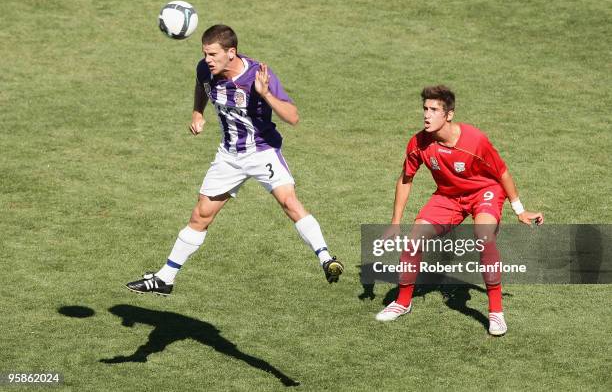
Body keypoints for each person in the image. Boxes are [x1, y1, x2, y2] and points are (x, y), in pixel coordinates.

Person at [126, 24, 343, 295]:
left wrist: (265, 94)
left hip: (262, 151)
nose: (208, 59)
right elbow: (201, 84)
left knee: (289, 201)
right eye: (205, 53)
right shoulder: (206, 70)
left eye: (213, 54)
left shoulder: (258, 74)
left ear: (231, 52)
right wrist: (197, 113)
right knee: (201, 214)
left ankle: (326, 258)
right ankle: (165, 278)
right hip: (228, 156)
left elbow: (293, 117)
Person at [375, 85, 543, 336]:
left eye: (434, 110)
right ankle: (402, 302)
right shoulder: (418, 143)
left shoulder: (475, 140)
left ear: (449, 114)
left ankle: (496, 312)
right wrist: (396, 221)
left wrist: (519, 209)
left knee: (483, 236)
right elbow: (405, 179)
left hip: (484, 191)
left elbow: (502, 173)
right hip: (448, 196)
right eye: (425, 109)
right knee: (413, 242)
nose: (426, 115)